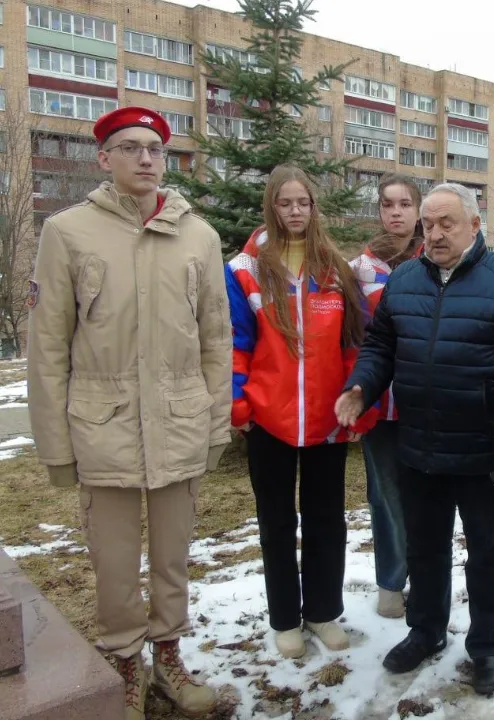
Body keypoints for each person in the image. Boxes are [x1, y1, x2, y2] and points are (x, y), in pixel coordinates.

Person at [26, 107, 231, 720]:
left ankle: (167, 656)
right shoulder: (68, 231)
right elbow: (47, 348)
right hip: (102, 423)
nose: (146, 158)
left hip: (180, 419)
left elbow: (215, 339)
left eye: (155, 149)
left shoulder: (198, 235)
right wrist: (56, 447)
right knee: (113, 561)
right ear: (103, 159)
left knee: (172, 554)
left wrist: (216, 425)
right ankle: (121, 659)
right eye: (130, 147)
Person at [334, 182, 494, 696]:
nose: (433, 233)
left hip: (486, 452)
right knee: (426, 548)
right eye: (427, 224)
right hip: (420, 447)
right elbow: (381, 345)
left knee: (486, 552)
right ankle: (426, 630)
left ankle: (485, 646)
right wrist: (361, 387)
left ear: (475, 225)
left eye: (445, 223)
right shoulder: (405, 279)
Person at [226, 164, 373, 660]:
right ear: (272, 206)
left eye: (303, 202)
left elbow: (356, 343)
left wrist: (359, 402)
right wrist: (238, 401)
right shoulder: (245, 270)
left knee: (327, 521)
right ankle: (285, 619)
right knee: (275, 522)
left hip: (329, 420)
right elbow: (236, 343)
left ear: (314, 207)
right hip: (269, 419)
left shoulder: (335, 268)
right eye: (285, 203)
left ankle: (324, 612)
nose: (295, 211)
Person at [348, 173, 424, 619]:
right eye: (387, 204)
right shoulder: (360, 268)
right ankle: (391, 582)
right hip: (381, 403)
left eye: (404, 204)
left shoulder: (435, 260)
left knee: (429, 493)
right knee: (386, 494)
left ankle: (428, 575)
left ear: (418, 210)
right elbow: (352, 338)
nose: (396, 212)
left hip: (427, 399)